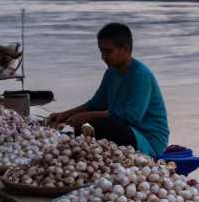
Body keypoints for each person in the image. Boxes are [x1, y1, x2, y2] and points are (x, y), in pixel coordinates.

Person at [46, 22, 169, 157]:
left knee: (99, 123)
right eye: (101, 50)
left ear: (126, 49)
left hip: (148, 139)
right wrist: (64, 115)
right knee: (83, 123)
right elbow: (95, 104)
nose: (103, 57)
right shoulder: (111, 73)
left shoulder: (141, 75)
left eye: (108, 51)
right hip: (127, 130)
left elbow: (131, 117)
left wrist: (90, 116)